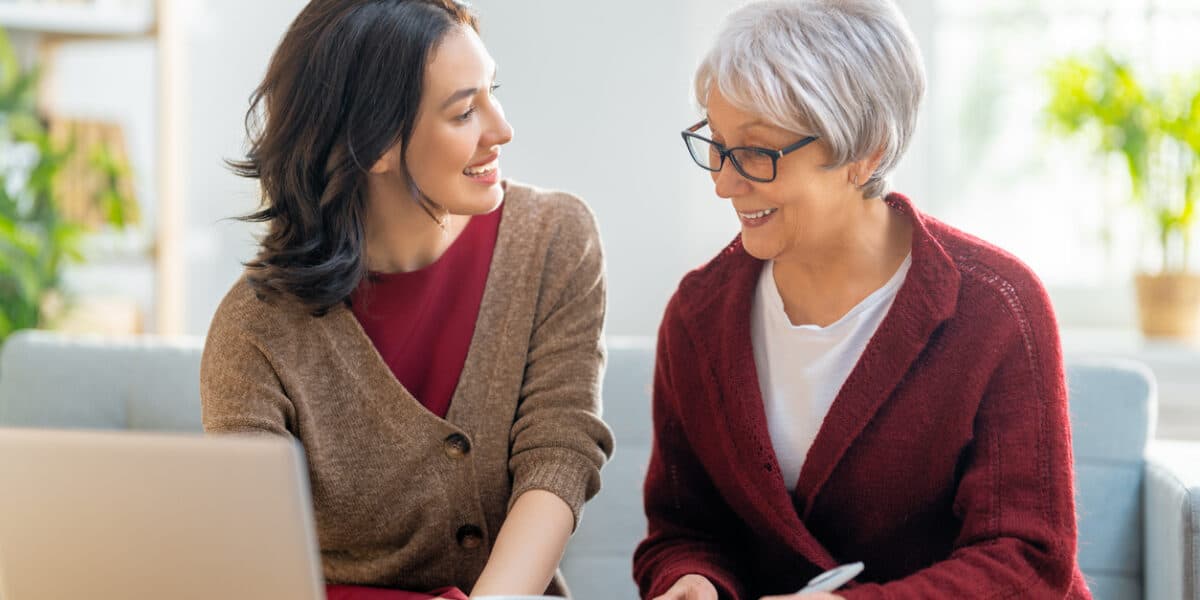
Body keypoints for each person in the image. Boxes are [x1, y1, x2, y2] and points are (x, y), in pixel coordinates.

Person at [633, 1, 1089, 598]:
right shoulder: (698, 316)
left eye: (756, 152)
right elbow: (683, 530)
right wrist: (693, 580)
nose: (722, 182)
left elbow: (1027, 559)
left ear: (865, 153)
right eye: (715, 143)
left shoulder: (998, 306)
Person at [199, 1, 613, 598]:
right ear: (375, 144)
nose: (502, 129)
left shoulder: (556, 240)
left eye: (492, 92)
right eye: (465, 110)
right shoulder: (254, 331)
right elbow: (256, 559)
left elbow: (561, 452)